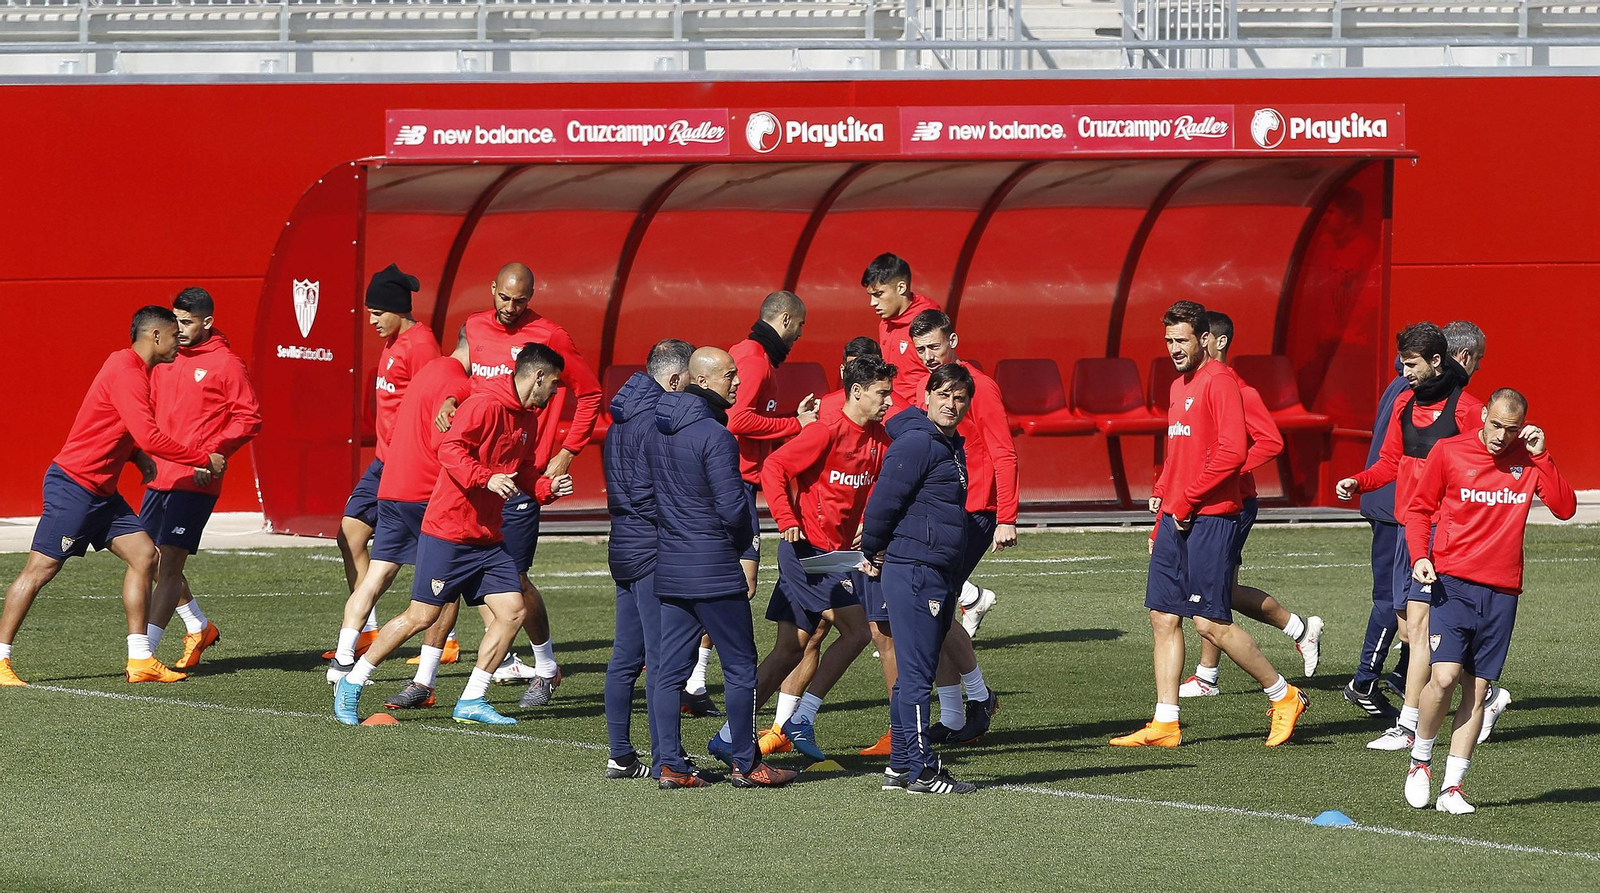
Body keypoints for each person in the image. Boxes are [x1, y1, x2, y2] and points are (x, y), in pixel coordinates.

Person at [333, 344, 570, 726]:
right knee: (421, 616)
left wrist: (545, 489)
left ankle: (472, 699)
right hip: (448, 532)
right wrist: (485, 478)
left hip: (488, 539)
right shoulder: (484, 405)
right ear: (538, 377)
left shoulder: (527, 420)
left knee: (513, 611)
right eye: (554, 384)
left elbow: (523, 470)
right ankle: (353, 680)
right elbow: (451, 449)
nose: (556, 392)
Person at [1111, 301, 1306, 749]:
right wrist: (1163, 497)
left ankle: (1284, 695)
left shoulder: (1220, 381)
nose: (1174, 349)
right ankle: (1165, 722)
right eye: (1168, 341)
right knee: (1162, 616)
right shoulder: (1180, 385)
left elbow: (1232, 453)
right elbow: (1179, 451)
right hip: (1176, 517)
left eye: (1181, 340)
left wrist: (1188, 498)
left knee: (1210, 623)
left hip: (1211, 517)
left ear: (1204, 340)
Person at [0, 306, 225, 686]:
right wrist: (203, 458)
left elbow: (114, 423)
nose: (179, 342)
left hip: (103, 492)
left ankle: (140, 660)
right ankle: (1, 658)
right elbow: (151, 435)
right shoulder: (128, 373)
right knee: (40, 570)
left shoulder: (129, 366)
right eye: (174, 335)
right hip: (75, 486)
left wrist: (136, 457)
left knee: (145, 555)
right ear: (155, 336)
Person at [1402, 389, 1574, 814]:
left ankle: (1452, 789)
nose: (1500, 436)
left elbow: (1565, 507)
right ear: (1483, 415)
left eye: (1510, 429)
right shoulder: (1449, 451)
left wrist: (1543, 456)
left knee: (1476, 691)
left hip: (1502, 591)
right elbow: (1419, 509)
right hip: (1453, 583)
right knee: (1442, 679)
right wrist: (1419, 556)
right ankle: (1420, 760)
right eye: (1495, 424)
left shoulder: (1529, 458)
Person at [449, 262, 605, 706]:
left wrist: (567, 451)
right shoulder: (474, 327)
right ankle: (425, 677)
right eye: (504, 297)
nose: (510, 308)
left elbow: (590, 392)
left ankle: (546, 666)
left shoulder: (550, 335)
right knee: (453, 575)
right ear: (492, 288)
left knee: (512, 577)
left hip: (519, 477)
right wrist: (447, 399)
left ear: (531, 297)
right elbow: (465, 378)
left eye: (521, 301)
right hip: (471, 476)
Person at [646, 347, 794, 789]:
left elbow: (643, 495)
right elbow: (734, 509)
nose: (739, 383)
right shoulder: (715, 436)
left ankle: (669, 763)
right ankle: (746, 764)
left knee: (668, 670)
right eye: (731, 376)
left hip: (671, 567)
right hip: (712, 568)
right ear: (705, 381)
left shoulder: (657, 430)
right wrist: (738, 544)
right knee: (741, 667)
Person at [1337, 322, 1485, 752]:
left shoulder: (1466, 410)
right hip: (1408, 529)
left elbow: (1490, 460)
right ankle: (1484, 695)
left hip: (1443, 532)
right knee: (1408, 630)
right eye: (1403, 363)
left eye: (1412, 364)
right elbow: (1389, 462)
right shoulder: (1404, 401)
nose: (1404, 372)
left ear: (1436, 362)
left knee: (1420, 629)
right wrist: (1359, 481)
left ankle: (1408, 724)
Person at [744, 355, 894, 761]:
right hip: (808, 553)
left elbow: (872, 491)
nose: (888, 401)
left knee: (793, 647)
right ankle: (800, 718)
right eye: (882, 393)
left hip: (838, 555)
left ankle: (734, 732)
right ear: (857, 392)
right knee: (859, 630)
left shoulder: (881, 440)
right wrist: (786, 517)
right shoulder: (825, 434)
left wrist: (869, 525)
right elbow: (774, 467)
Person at [1178, 311, 1323, 697]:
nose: (1189, 345)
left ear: (1217, 341)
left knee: (1215, 592)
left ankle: (1296, 631)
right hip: (1212, 502)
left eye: (1199, 337)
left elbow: (1271, 442)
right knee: (1217, 591)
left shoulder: (1238, 389)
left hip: (1234, 503)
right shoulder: (1195, 386)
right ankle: (1211, 673)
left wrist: (1231, 471)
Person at [323, 329, 472, 694]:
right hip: (424, 491)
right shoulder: (456, 381)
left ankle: (343, 660)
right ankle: (426, 676)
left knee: (375, 576)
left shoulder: (428, 368)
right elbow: (447, 445)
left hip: (391, 485)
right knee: (447, 587)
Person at [859, 363, 975, 794]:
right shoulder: (919, 443)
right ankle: (924, 771)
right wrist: (872, 548)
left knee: (914, 673)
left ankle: (900, 765)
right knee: (916, 675)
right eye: (943, 395)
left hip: (929, 570)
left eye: (960, 398)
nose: (951, 404)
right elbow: (883, 500)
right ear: (926, 397)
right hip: (915, 572)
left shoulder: (945, 444)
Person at [903, 310, 1012, 747]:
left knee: (938, 606)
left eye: (935, 346)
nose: (928, 356)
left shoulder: (979, 386)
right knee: (937, 607)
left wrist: (1006, 516)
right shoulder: (922, 387)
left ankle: (979, 700)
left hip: (975, 509)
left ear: (954, 340)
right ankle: (952, 715)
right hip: (938, 510)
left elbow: (1004, 452)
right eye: (921, 348)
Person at [139, 287, 262, 670]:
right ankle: (198, 626)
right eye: (175, 320)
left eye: (187, 322)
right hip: (160, 476)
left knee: (170, 563)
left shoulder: (226, 363)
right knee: (149, 560)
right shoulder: (165, 356)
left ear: (207, 321)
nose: (178, 328)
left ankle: (145, 654)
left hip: (196, 479)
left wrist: (214, 453)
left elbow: (249, 417)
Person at [602, 338, 699, 781]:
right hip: (649, 548)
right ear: (674, 379)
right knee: (662, 658)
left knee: (627, 654)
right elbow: (649, 491)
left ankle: (621, 754)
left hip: (622, 543)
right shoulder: (656, 420)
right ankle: (666, 759)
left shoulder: (623, 413)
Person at [331, 264, 437, 659]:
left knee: (440, 553)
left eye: (377, 312)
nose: (371, 320)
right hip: (383, 463)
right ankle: (369, 629)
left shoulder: (421, 345)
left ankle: (443, 641)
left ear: (398, 309)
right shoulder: (394, 342)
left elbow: (436, 407)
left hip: (409, 469)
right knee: (350, 535)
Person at [861, 253, 940, 412]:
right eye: (870, 296)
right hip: (891, 411)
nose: (873, 303)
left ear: (901, 287)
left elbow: (941, 376)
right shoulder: (885, 323)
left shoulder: (929, 321)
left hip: (920, 417)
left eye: (878, 294)